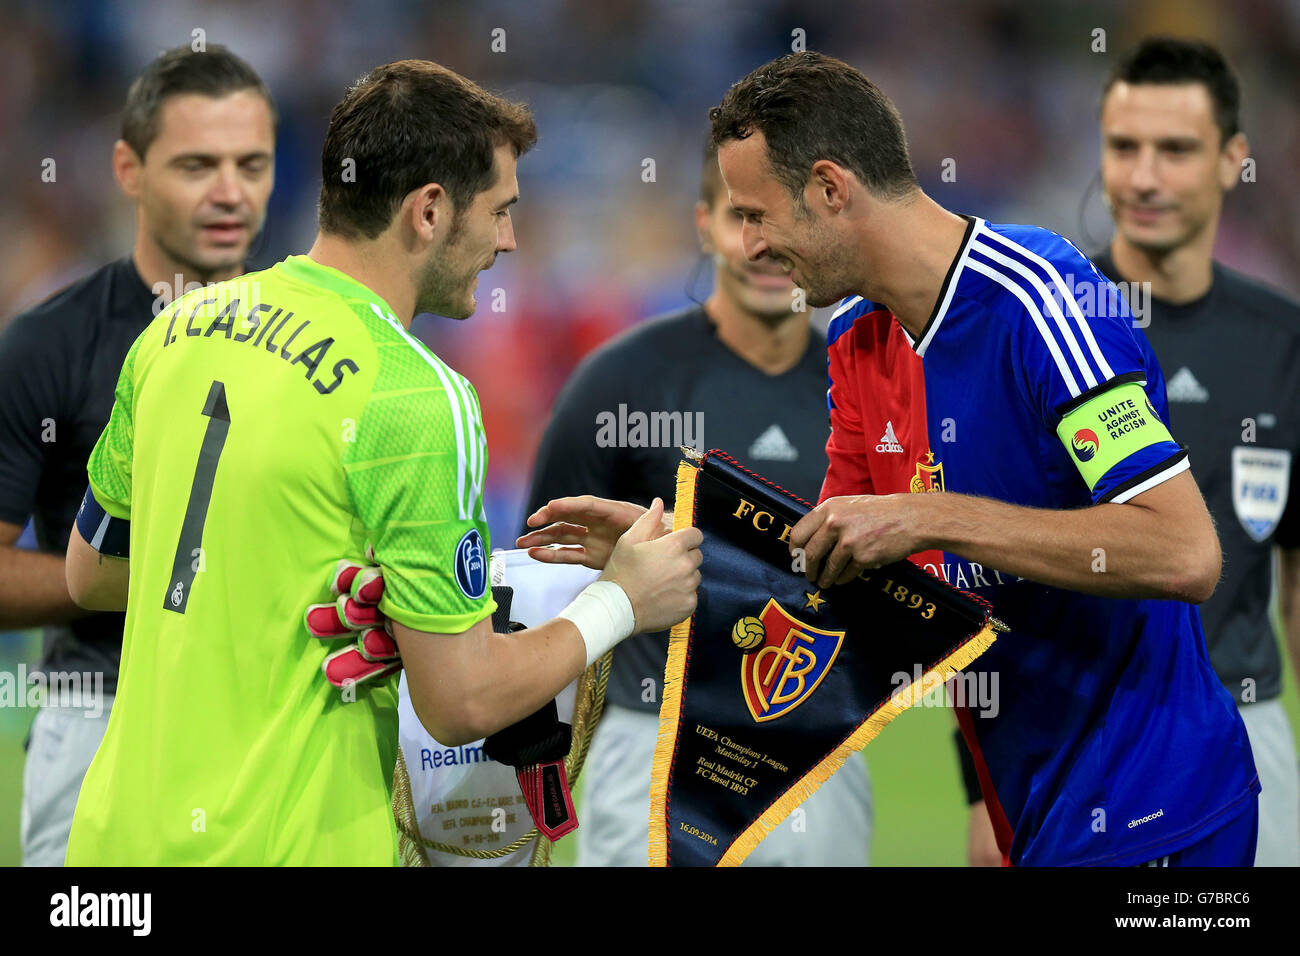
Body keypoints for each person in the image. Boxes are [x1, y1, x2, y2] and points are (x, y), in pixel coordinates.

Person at [61, 59, 701, 865]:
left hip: (111, 851)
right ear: (429, 211)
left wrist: (295, 584)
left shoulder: (173, 333)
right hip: (284, 847)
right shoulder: (416, 396)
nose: (508, 241)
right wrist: (619, 601)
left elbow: (92, 573)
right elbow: (463, 699)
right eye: (500, 212)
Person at [711, 50, 1257, 867]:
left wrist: (930, 517)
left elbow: (1185, 552)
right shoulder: (857, 339)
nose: (748, 245)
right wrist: (677, 549)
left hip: (1155, 811)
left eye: (756, 214)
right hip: (1032, 816)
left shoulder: (1045, 303)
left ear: (830, 188)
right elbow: (831, 570)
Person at [520, 142, 873, 866]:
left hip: (817, 748)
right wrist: (532, 763)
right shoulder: (619, 383)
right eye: (743, 215)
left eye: (788, 219)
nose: (765, 246)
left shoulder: (864, 389)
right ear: (704, 225)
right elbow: (540, 576)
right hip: (651, 742)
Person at [0, 44, 276, 867]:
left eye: (252, 163)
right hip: (100, 715)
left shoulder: (318, 346)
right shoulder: (46, 345)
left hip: (266, 723)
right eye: (197, 164)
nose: (230, 191)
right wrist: (152, 578)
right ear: (129, 168)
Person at [1089, 37, 1297, 866]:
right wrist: (975, 789)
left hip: (1248, 727)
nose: (1144, 177)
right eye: (1123, 147)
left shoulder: (1284, 344)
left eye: (1174, 150)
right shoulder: (1040, 326)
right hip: (1085, 734)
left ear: (1231, 160)